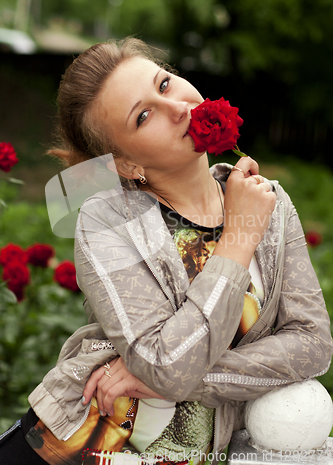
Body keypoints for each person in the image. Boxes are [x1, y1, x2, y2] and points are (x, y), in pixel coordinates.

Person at [0, 37, 332, 465]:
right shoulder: (106, 220)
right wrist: (239, 237)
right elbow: (162, 364)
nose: (178, 107)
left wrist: (179, 378)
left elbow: (311, 344)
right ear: (126, 165)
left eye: (165, 83)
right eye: (143, 116)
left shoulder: (271, 204)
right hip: (77, 448)